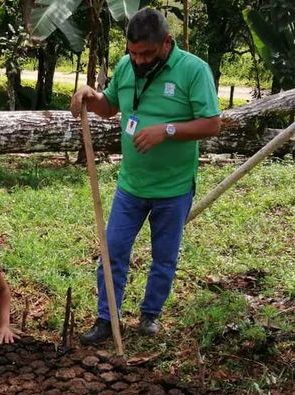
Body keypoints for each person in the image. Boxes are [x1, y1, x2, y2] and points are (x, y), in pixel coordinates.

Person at [70, 8, 221, 344]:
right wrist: (89, 96)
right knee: (113, 251)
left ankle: (150, 316)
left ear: (166, 43)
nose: (138, 61)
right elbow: (109, 106)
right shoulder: (126, 66)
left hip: (174, 186)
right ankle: (107, 319)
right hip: (131, 184)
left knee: (163, 257)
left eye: (146, 54)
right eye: (133, 53)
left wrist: (165, 131)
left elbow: (211, 123)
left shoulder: (193, 70)